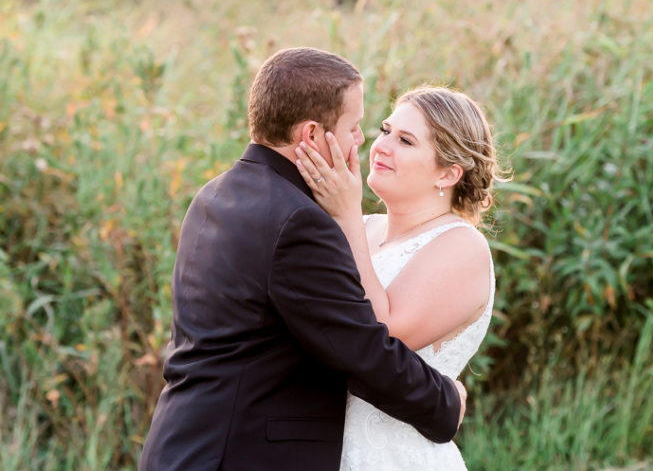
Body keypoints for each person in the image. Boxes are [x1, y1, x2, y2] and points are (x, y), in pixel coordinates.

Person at [138, 48, 466, 471]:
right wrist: (445, 401)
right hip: (238, 454)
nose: (362, 140)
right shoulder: (297, 221)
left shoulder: (214, 195)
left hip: (183, 445)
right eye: (354, 126)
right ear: (311, 134)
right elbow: (360, 349)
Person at [295, 85, 501, 470]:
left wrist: (345, 217)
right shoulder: (365, 229)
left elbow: (379, 338)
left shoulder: (462, 246)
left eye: (405, 140)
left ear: (449, 173)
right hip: (324, 451)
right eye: (385, 131)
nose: (381, 146)